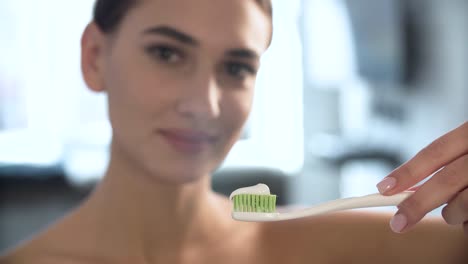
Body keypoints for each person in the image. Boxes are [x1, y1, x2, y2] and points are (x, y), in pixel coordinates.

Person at [1, 0, 468, 263]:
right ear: (94, 58)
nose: (205, 103)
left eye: (236, 67)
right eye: (166, 53)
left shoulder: (340, 246)